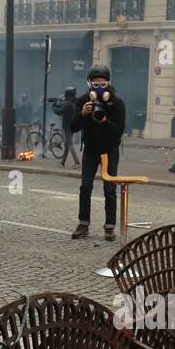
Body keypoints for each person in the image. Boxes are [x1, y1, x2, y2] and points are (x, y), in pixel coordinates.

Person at [69, 64, 126, 240]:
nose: (100, 89)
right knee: (85, 187)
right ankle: (83, 223)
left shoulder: (117, 102)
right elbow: (72, 127)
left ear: (108, 83)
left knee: (110, 189)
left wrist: (104, 120)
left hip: (110, 150)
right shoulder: (82, 101)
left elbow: (119, 130)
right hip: (90, 150)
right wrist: (82, 114)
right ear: (89, 84)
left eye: (103, 85)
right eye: (96, 85)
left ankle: (110, 227)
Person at [53, 86, 77, 167]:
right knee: (67, 145)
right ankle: (62, 162)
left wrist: (54, 106)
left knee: (69, 145)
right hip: (72, 125)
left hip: (67, 126)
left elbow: (58, 112)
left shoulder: (68, 104)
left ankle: (77, 162)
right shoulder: (73, 102)